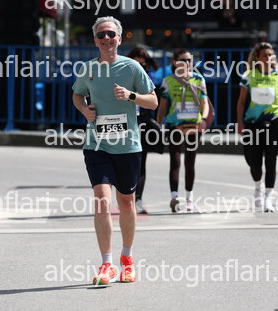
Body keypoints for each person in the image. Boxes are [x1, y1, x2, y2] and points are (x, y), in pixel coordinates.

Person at [72, 16, 157, 286]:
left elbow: (153, 101)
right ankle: (106, 264)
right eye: (101, 35)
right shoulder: (88, 69)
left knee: (126, 203)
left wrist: (131, 96)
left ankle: (127, 259)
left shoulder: (132, 67)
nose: (106, 38)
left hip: (128, 146)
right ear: (95, 40)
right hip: (97, 145)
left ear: (119, 38)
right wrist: (85, 110)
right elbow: (77, 94)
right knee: (101, 200)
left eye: (111, 34)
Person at [236, 42, 278, 212]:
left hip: (274, 121)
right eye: (265, 56)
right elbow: (241, 102)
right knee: (254, 162)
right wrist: (240, 123)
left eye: (271, 55)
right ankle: (258, 186)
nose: (268, 58)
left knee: (271, 160)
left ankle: (268, 198)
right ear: (257, 59)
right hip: (253, 123)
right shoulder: (249, 76)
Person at [156, 48, 209, 213]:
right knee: (175, 161)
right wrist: (158, 125)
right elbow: (162, 106)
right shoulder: (168, 81)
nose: (187, 63)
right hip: (175, 126)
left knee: (190, 162)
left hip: (194, 125)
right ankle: (174, 197)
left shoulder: (199, 79)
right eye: (183, 60)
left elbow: (205, 102)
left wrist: (204, 119)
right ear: (175, 62)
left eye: (189, 60)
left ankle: (189, 197)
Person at [126, 47, 161, 215]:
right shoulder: (122, 75)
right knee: (125, 163)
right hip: (126, 124)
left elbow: (153, 101)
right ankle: (126, 196)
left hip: (144, 124)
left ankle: (138, 199)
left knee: (141, 163)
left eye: (143, 64)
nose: (140, 67)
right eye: (136, 64)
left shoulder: (150, 77)